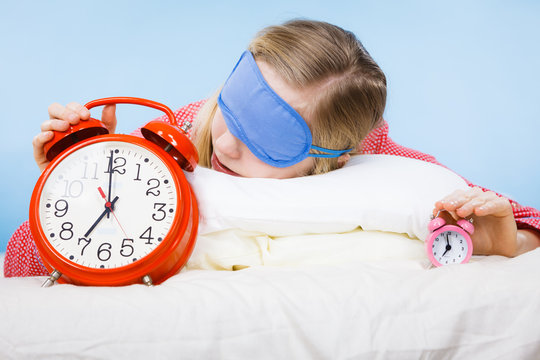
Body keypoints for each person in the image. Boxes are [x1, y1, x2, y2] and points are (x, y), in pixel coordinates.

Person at [4, 19, 539, 277]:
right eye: (233, 106)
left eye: (267, 137)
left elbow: (521, 220)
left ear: (332, 158)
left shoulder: (374, 154)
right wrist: (63, 184)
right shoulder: (193, 127)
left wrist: (507, 237)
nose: (227, 142)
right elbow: (19, 265)